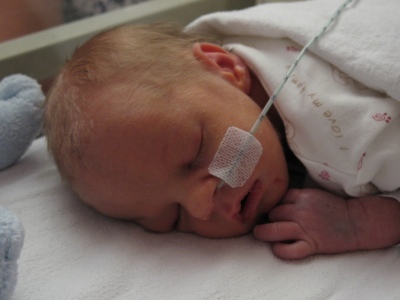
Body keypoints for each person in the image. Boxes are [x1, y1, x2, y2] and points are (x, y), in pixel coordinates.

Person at [44, 19, 400, 259]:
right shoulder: (209, 93)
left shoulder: (353, 137)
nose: (201, 204)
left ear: (224, 67)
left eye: (194, 154)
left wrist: (359, 224)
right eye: (173, 217)